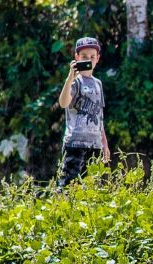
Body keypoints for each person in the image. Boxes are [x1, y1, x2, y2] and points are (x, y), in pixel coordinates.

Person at [57, 37, 110, 188]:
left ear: (98, 58)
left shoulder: (98, 83)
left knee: (92, 188)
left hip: (95, 144)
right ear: (77, 57)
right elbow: (63, 103)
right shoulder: (75, 81)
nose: (89, 60)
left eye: (92, 56)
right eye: (84, 57)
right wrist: (69, 78)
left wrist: (104, 144)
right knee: (68, 186)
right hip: (75, 143)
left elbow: (100, 117)